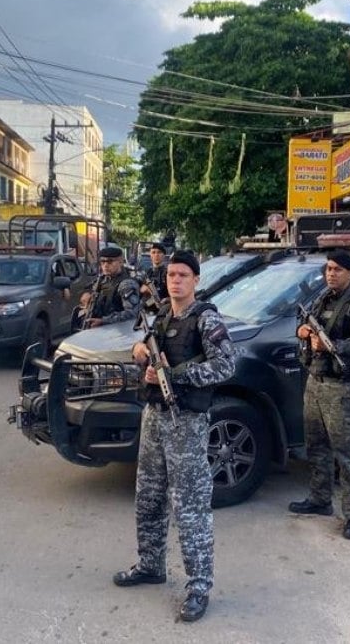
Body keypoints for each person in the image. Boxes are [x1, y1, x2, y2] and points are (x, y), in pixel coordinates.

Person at [114, 250, 236, 623]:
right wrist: (141, 355)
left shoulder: (206, 319)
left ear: (196, 280)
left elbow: (227, 364)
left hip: (186, 422)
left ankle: (199, 586)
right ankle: (151, 564)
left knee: (189, 506)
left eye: (183, 275)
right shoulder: (163, 314)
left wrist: (177, 374)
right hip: (155, 416)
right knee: (148, 496)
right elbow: (146, 350)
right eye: (171, 275)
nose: (176, 280)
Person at [289, 250, 350, 540]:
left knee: (348, 453)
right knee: (316, 447)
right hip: (315, 382)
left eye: (338, 269)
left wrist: (334, 346)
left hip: (342, 388)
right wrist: (302, 331)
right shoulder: (322, 299)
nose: (331, 273)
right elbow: (305, 326)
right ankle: (320, 499)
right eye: (328, 268)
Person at [83, 246, 141, 328]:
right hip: (99, 330)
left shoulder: (126, 284)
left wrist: (104, 321)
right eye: (103, 262)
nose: (105, 265)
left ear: (120, 262)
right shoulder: (102, 280)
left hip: (119, 332)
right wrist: (87, 297)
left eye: (110, 262)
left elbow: (132, 313)